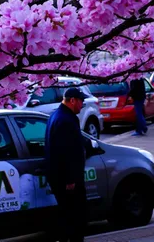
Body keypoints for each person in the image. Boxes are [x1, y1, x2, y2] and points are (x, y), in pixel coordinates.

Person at [45, 87, 88, 242]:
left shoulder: (56, 115)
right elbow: (67, 151)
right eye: (81, 101)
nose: (82, 104)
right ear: (72, 100)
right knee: (75, 217)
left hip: (59, 176)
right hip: (67, 180)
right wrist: (70, 179)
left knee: (67, 215)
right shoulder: (66, 120)